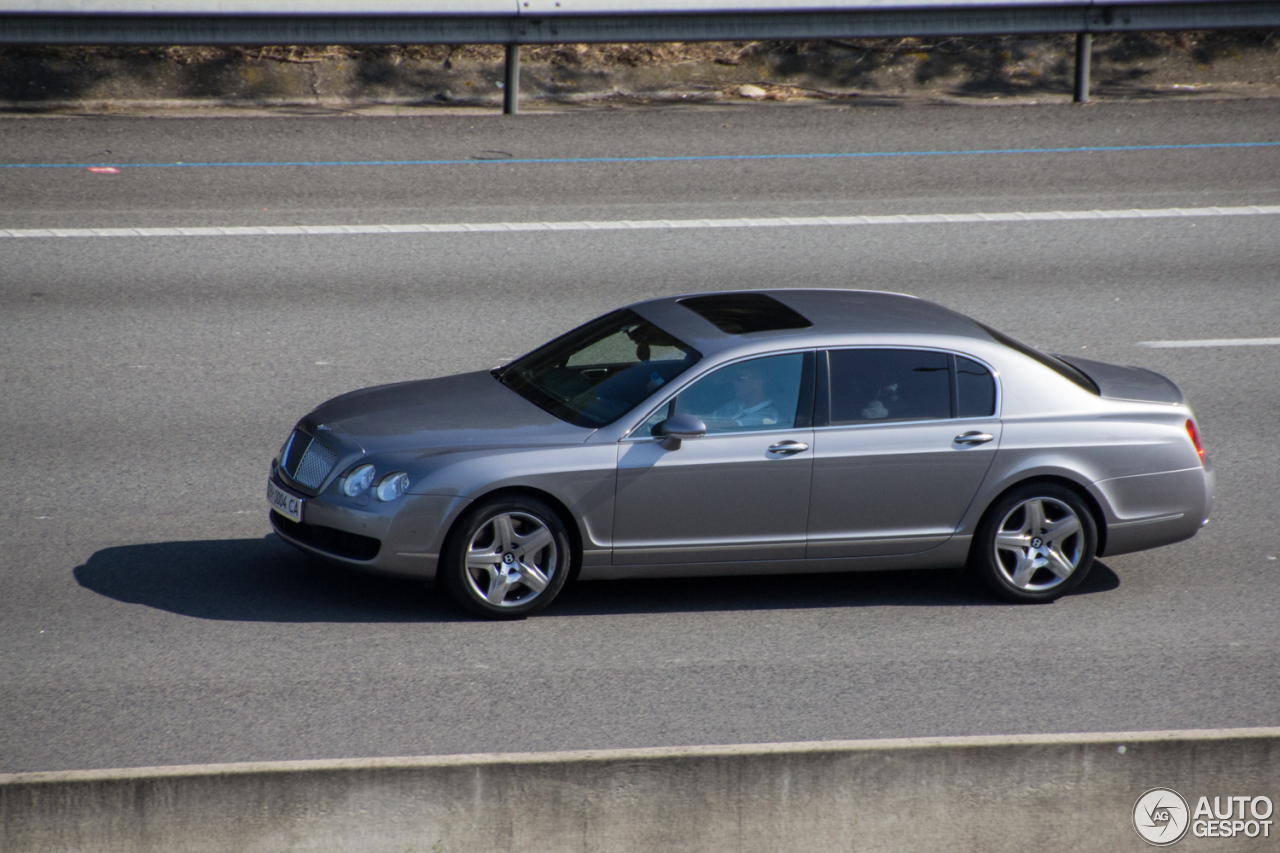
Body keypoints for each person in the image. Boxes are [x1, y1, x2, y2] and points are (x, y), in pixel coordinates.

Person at [711, 364, 780, 428]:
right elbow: (709, 417)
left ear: (758, 384)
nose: (734, 382)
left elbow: (721, 426)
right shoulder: (737, 404)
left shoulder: (767, 415)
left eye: (740, 378)